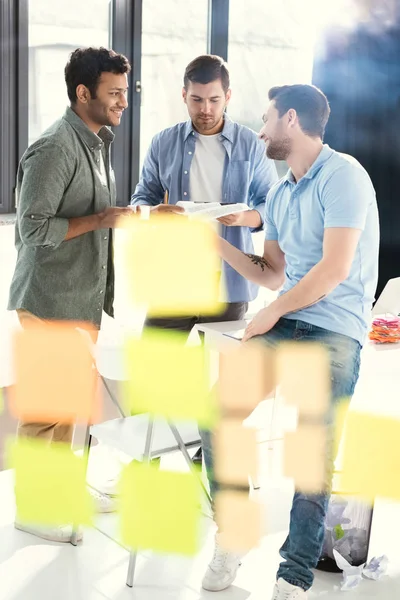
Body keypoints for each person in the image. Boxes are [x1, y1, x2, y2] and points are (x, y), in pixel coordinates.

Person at [200, 84, 380, 599]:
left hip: (335, 330)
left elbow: (333, 269)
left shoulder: (344, 175)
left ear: (292, 121)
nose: (259, 130)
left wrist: (267, 316)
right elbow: (274, 272)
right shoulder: (280, 192)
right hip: (285, 322)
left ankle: (294, 575)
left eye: (266, 119)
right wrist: (217, 244)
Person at [8, 46, 133, 543]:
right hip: (49, 297)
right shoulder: (56, 147)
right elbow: (33, 227)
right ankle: (35, 510)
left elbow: (98, 217)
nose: (124, 102)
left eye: (126, 92)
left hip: (78, 297)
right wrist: (101, 220)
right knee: (46, 410)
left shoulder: (96, 142)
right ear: (84, 93)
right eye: (115, 93)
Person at [131, 54, 278, 463]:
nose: (206, 110)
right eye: (196, 100)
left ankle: (208, 461)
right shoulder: (164, 142)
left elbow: (272, 203)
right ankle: (147, 460)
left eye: (214, 100)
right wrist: (152, 213)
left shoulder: (252, 144)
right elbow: (141, 195)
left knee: (222, 383)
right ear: (184, 95)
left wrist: (246, 216)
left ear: (228, 96)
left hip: (229, 283)